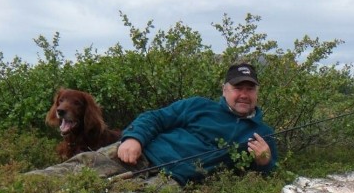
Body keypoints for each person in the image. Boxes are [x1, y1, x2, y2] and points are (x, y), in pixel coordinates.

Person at [26, 63, 278, 186]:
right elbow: (155, 118)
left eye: (249, 89)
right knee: (70, 172)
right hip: (141, 154)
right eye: (237, 88)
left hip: (172, 181)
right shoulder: (199, 105)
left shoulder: (262, 133)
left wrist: (265, 162)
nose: (243, 94)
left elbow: (266, 174)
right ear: (225, 90)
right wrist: (134, 138)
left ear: (256, 92)